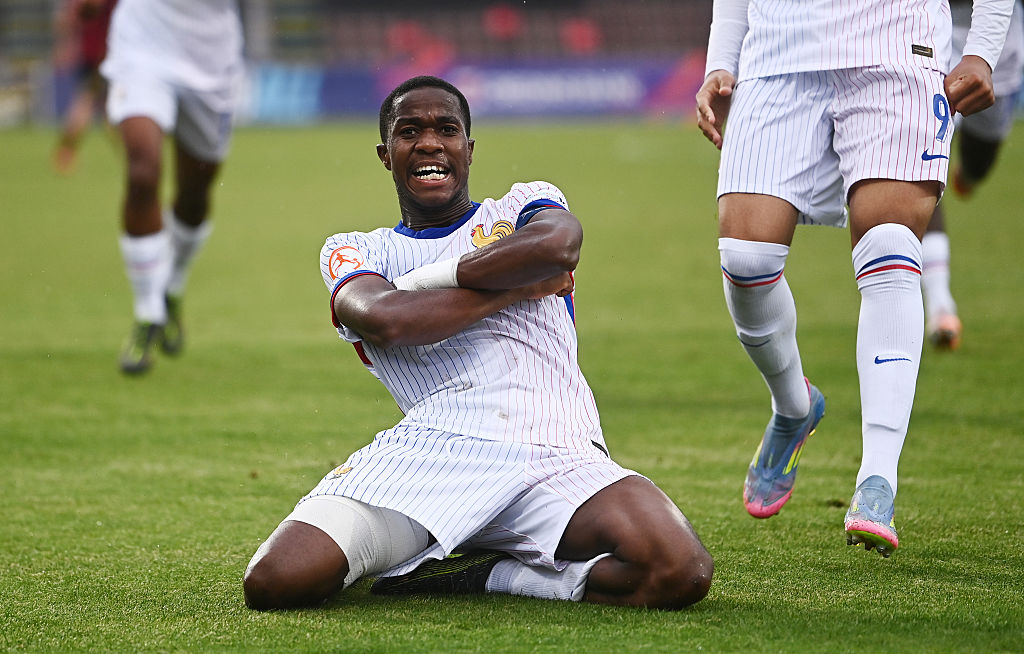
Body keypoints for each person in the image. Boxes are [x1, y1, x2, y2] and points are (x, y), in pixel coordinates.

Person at [243, 76, 713, 611]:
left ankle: (493, 573)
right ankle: (448, 539)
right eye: (409, 131)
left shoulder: (521, 206)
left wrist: (432, 283)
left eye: (447, 129)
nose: (429, 143)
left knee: (680, 570)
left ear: (468, 148)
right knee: (275, 580)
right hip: (432, 453)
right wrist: (516, 286)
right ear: (385, 154)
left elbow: (560, 243)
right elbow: (387, 320)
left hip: (556, 452)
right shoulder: (354, 249)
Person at [695, 0, 1013, 556]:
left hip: (895, 49)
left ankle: (878, 480)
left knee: (889, 248)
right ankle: (794, 406)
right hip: (777, 51)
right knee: (746, 261)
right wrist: (722, 60)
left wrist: (982, 49)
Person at [100, 0, 244, 374]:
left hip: (209, 57)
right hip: (143, 46)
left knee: (195, 193)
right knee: (142, 172)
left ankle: (171, 286)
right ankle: (148, 312)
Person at [923, 0, 1024, 351]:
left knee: (980, 163)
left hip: (996, 40)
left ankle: (967, 174)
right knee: (918, 163)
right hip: (929, 33)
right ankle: (940, 304)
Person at [52, 0, 116, 175]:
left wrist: (66, 44)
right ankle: (65, 152)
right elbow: (78, 12)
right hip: (103, 52)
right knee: (91, 104)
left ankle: (65, 152)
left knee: (101, 107)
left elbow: (70, 17)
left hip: (99, 51)